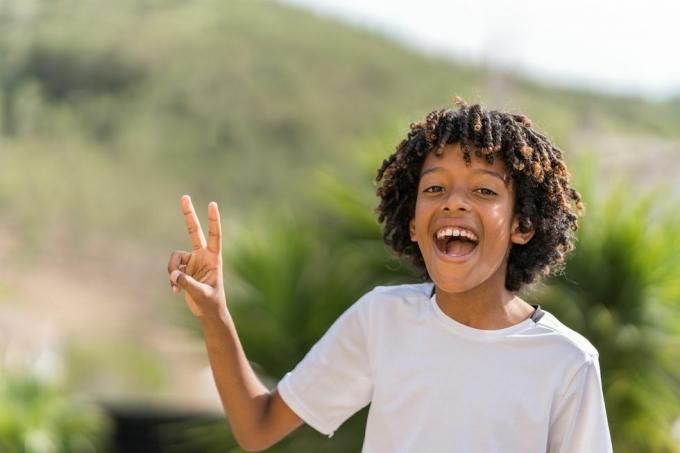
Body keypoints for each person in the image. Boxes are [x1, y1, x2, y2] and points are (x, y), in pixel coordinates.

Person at [167, 98, 613, 452]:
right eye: (435, 188)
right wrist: (215, 313)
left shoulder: (567, 363)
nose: (454, 202)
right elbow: (257, 426)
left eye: (483, 190)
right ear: (414, 223)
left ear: (523, 224)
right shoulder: (382, 320)